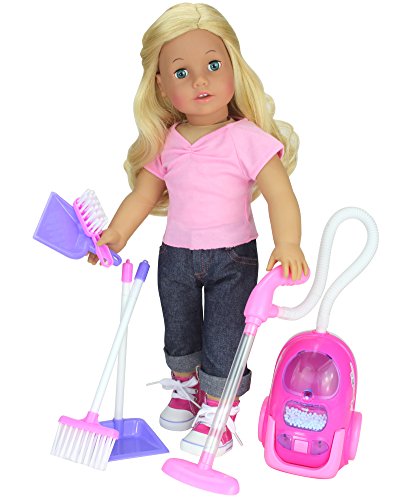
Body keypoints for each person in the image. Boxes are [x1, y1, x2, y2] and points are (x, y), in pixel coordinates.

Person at [88, 3, 309, 457]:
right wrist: (116, 234)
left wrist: (288, 243)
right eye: (182, 73)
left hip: (233, 257)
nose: (200, 81)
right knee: (180, 328)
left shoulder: (247, 138)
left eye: (212, 66)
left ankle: (219, 409)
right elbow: (143, 196)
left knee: (226, 334)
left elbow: (279, 194)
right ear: (161, 86)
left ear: (234, 68)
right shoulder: (165, 142)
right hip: (176, 256)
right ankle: (187, 389)